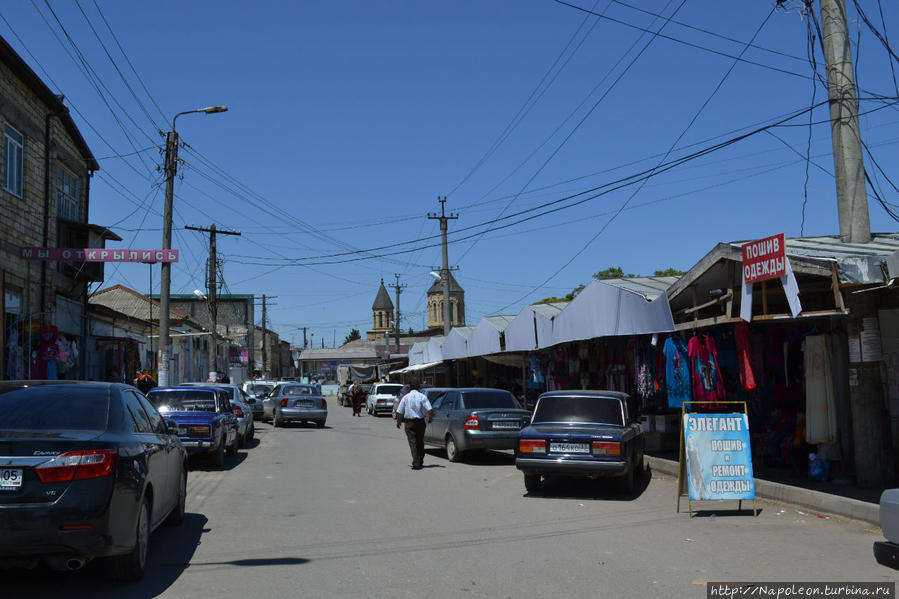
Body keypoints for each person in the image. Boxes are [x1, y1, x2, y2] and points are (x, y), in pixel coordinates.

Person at [395, 378, 433, 470]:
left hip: (409, 423)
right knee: (420, 442)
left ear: (409, 387)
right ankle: (419, 460)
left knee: (413, 442)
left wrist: (398, 422)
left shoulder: (405, 397)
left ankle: (416, 462)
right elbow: (430, 409)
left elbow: (399, 412)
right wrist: (430, 419)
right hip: (420, 422)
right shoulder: (422, 396)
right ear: (419, 387)